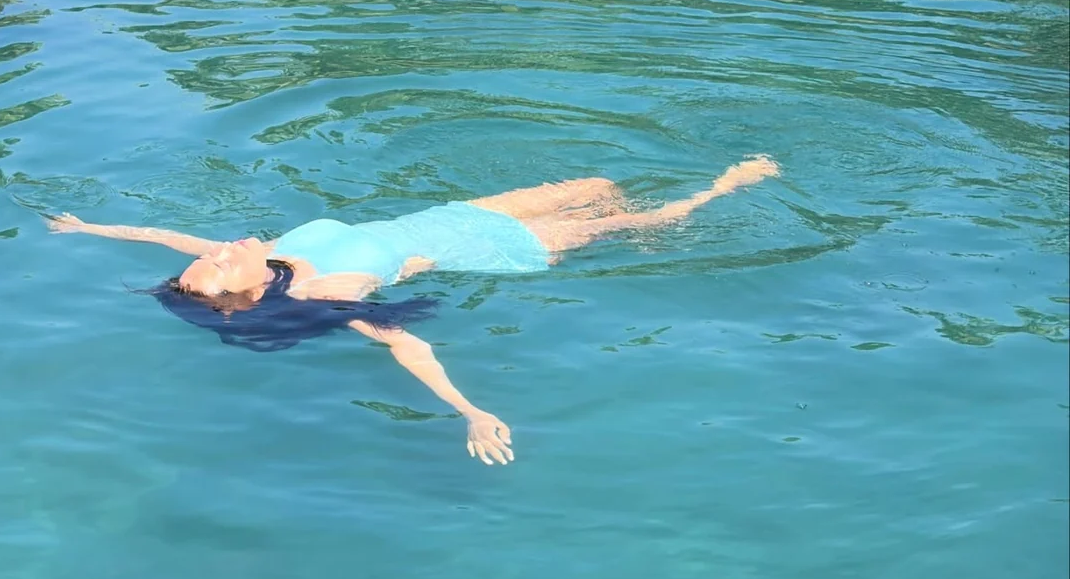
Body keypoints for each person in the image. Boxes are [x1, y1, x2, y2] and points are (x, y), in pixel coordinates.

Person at [48, 157, 779, 466]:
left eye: (213, 252)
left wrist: (92, 229)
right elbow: (402, 343)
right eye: (216, 262)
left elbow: (169, 237)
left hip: (454, 215)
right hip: (498, 248)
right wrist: (470, 410)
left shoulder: (262, 256)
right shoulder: (315, 296)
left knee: (598, 185)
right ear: (240, 297)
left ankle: (652, 208)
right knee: (640, 220)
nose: (220, 247)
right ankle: (725, 187)